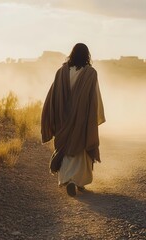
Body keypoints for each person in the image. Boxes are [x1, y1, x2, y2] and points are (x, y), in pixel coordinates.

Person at [41, 43, 105, 197]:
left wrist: (53, 116)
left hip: (62, 118)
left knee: (65, 148)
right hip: (81, 118)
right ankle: (78, 182)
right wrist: (94, 116)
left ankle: (69, 180)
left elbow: (53, 96)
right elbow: (94, 97)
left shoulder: (61, 72)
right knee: (81, 149)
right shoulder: (90, 73)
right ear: (87, 55)